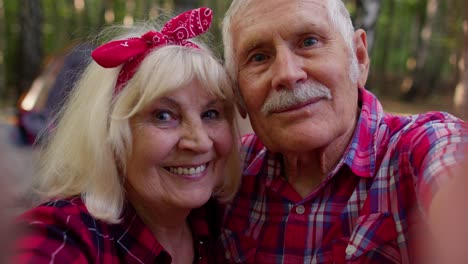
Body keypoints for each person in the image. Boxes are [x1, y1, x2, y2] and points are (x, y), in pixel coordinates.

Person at [218, 0, 468, 263]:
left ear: (358, 57)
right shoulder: (225, 170)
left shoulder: (421, 146)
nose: (288, 74)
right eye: (259, 57)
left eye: (309, 42)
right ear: (237, 94)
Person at [13, 7, 241, 264]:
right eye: (163, 116)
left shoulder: (225, 220)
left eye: (211, 114)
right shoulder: (64, 235)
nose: (199, 141)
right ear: (108, 133)